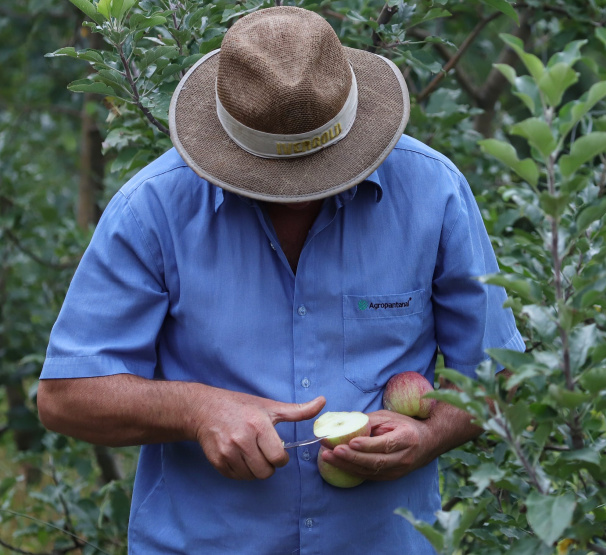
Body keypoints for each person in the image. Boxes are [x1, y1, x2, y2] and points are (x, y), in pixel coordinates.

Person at [37, 7, 524, 554]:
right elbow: (66, 396)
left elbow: (499, 374)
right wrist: (199, 409)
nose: (302, 191)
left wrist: (430, 434)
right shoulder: (153, 209)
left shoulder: (431, 193)